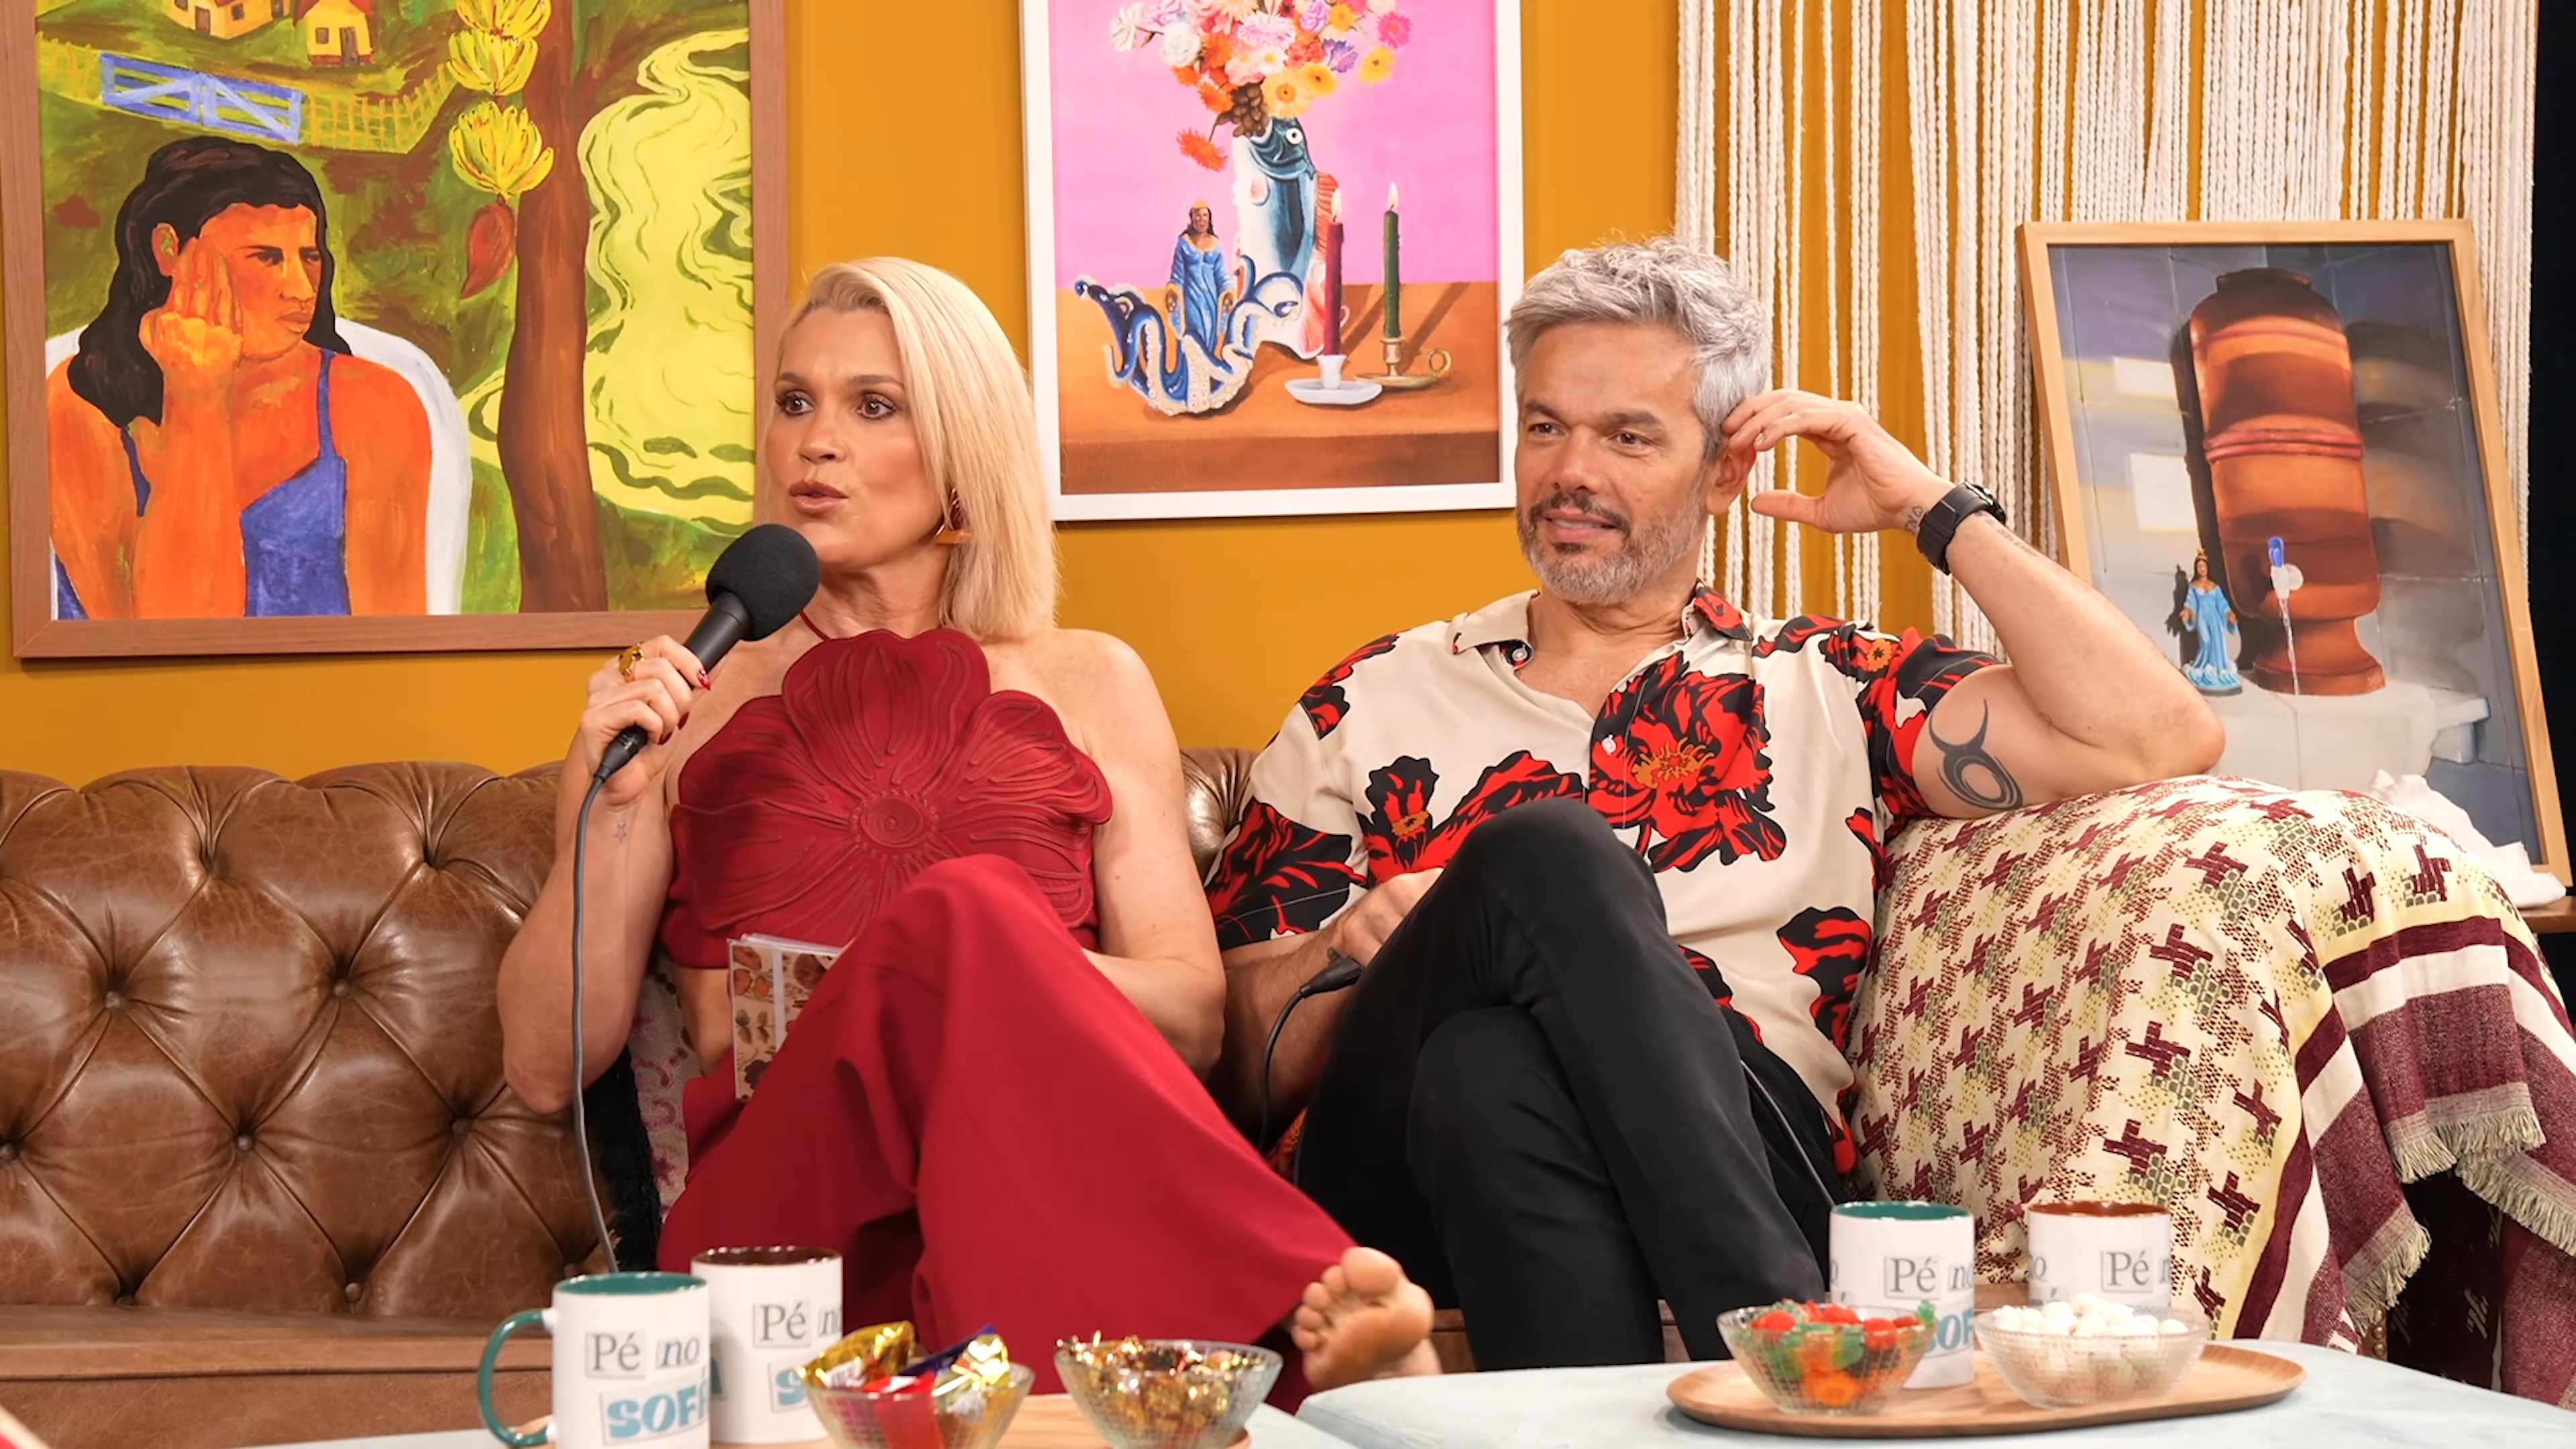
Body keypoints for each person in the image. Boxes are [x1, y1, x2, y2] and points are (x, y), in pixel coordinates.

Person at [1207, 239, 2224, 1371]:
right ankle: (1793, 1342)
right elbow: (1237, 1075)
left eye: (1628, 437)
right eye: (1545, 427)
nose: (1570, 472)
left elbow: (2158, 735)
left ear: (1725, 473)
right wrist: (1342, 951)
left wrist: (1932, 509)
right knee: (1542, 857)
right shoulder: (1368, 700)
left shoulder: (1832, 683)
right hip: (1396, 1183)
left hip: (1744, 1135)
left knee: (1488, 1070)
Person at [495, 257, 1436, 1395]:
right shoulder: (676, 698)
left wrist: (971, 982)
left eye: (872, 406)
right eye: (794, 402)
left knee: (962, 926)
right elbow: (543, 1067)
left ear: (961, 456)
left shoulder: (1090, 681)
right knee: (962, 908)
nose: (815, 443)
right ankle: (1295, 1308)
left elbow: (1192, 1018)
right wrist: (606, 802)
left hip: (1030, 1184)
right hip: (786, 1236)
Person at [48, 137, 429, 619]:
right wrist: (196, 398)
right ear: (169, 250)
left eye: (309, 257)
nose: (301, 289)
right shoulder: (79, 405)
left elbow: (395, 635)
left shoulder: (375, 404)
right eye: (265, 257)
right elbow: (170, 640)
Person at [1165, 201, 1234, 358]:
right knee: (1194, 335)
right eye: (1198, 216)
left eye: (1205, 216)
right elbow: (1177, 275)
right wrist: (1173, 292)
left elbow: (1221, 275)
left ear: (1209, 219)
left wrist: (1228, 293)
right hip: (1191, 299)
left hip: (1211, 301)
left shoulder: (1216, 244)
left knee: (1210, 335)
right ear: (1192, 219)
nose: (1201, 220)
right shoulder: (1184, 243)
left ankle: (1207, 370)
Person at [2174, 549, 2243, 694]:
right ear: (2196, 569)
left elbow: (2223, 604)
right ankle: (2203, 666)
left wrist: (2229, 615)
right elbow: (2190, 602)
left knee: (2217, 642)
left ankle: (2217, 669)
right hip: (2202, 618)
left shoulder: (2215, 587)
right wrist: (2187, 612)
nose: (2202, 569)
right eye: (2199, 567)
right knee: (2205, 641)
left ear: (2208, 568)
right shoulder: (2193, 587)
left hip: (2215, 619)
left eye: (2204, 566)